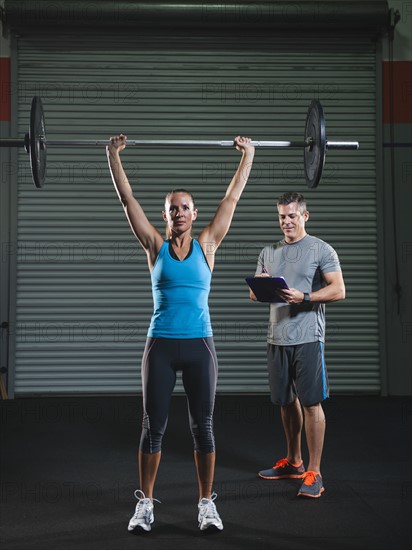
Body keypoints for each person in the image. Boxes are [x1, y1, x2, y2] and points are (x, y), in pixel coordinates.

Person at [107, 134, 255, 531]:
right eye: (173, 209)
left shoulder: (208, 244)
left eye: (185, 208)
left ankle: (206, 503)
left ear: (194, 212)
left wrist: (249, 155)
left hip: (199, 347)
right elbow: (127, 200)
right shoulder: (154, 245)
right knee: (152, 426)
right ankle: (146, 505)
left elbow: (233, 198)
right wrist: (112, 155)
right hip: (160, 346)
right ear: (166, 214)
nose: (179, 213)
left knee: (202, 426)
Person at [250, 191, 345, 498]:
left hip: (308, 337)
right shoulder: (269, 251)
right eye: (281, 216)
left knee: (311, 403)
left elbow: (338, 289)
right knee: (285, 401)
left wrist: (305, 297)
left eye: (292, 215)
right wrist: (262, 287)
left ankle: (314, 472)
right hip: (276, 337)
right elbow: (256, 292)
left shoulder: (321, 249)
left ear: (305, 216)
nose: (286, 221)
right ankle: (293, 461)